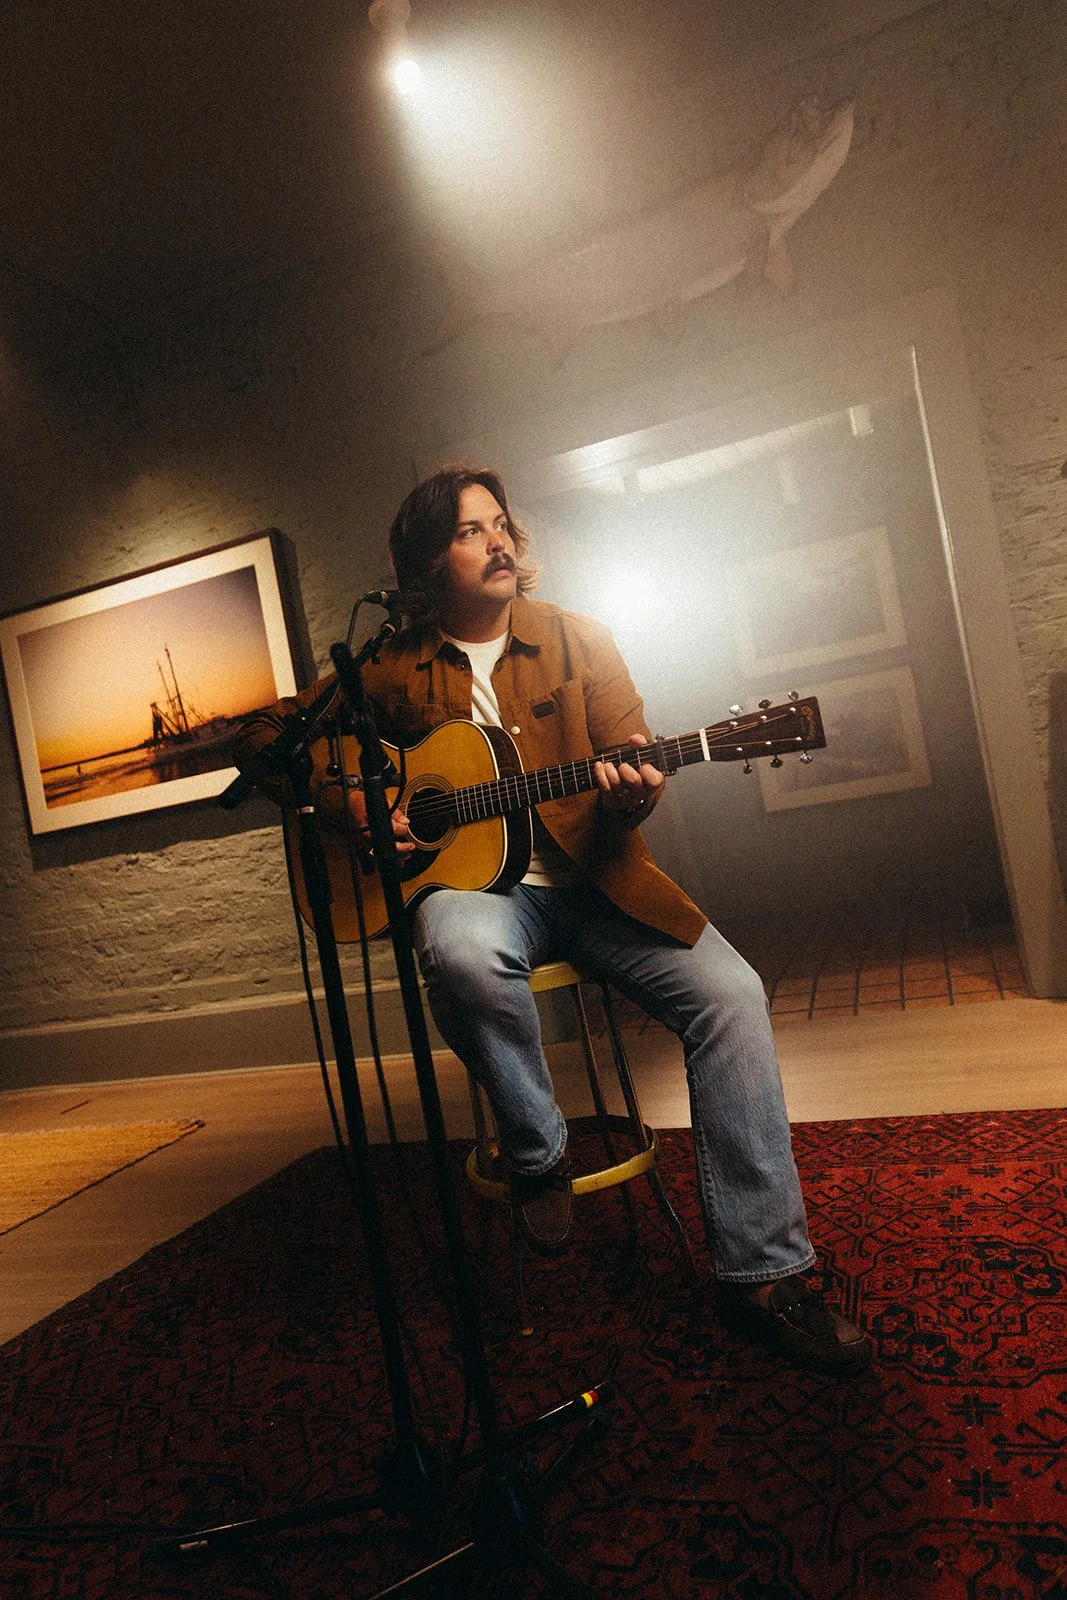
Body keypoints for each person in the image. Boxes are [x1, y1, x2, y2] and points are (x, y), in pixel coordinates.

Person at [237, 465, 871, 1375]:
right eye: (470, 531)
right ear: (428, 560)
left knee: (732, 996)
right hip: (481, 896)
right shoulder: (389, 664)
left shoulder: (579, 638)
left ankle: (763, 1276)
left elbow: (628, 759)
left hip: (598, 885)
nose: (498, 541)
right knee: (457, 947)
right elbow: (265, 735)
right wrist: (356, 806)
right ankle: (538, 1149)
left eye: (500, 524)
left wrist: (632, 790)